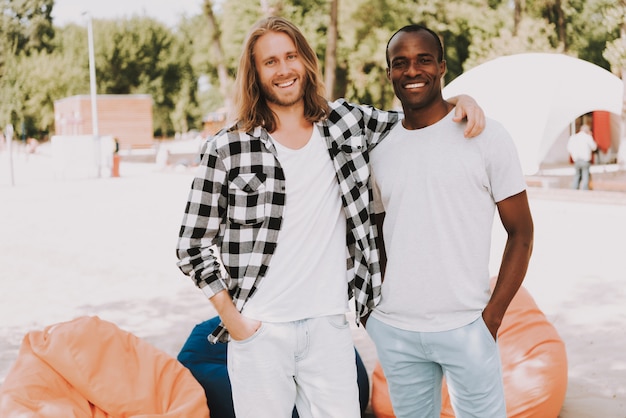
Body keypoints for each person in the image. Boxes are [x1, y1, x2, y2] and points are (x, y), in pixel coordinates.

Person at [176, 16, 484, 418]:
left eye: (290, 56)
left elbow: (418, 121)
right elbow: (192, 245)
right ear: (254, 73)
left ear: (306, 61)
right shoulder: (228, 147)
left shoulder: (346, 124)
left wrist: (462, 100)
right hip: (260, 332)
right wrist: (235, 322)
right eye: (270, 62)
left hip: (329, 329)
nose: (283, 69)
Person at [366, 24, 534, 418]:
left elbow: (522, 233)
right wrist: (374, 313)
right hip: (396, 330)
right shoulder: (380, 149)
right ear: (388, 73)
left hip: (468, 326)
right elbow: (377, 233)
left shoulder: (485, 136)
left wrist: (491, 318)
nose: (412, 71)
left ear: (442, 67)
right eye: (400, 63)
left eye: (424, 60)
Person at [567, 124, 597, 190]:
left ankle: (574, 189)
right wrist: (590, 135)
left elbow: (569, 148)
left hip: (577, 159)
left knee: (577, 175)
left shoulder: (574, 137)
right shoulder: (587, 137)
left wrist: (573, 155)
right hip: (585, 160)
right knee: (585, 175)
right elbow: (594, 147)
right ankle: (585, 190)